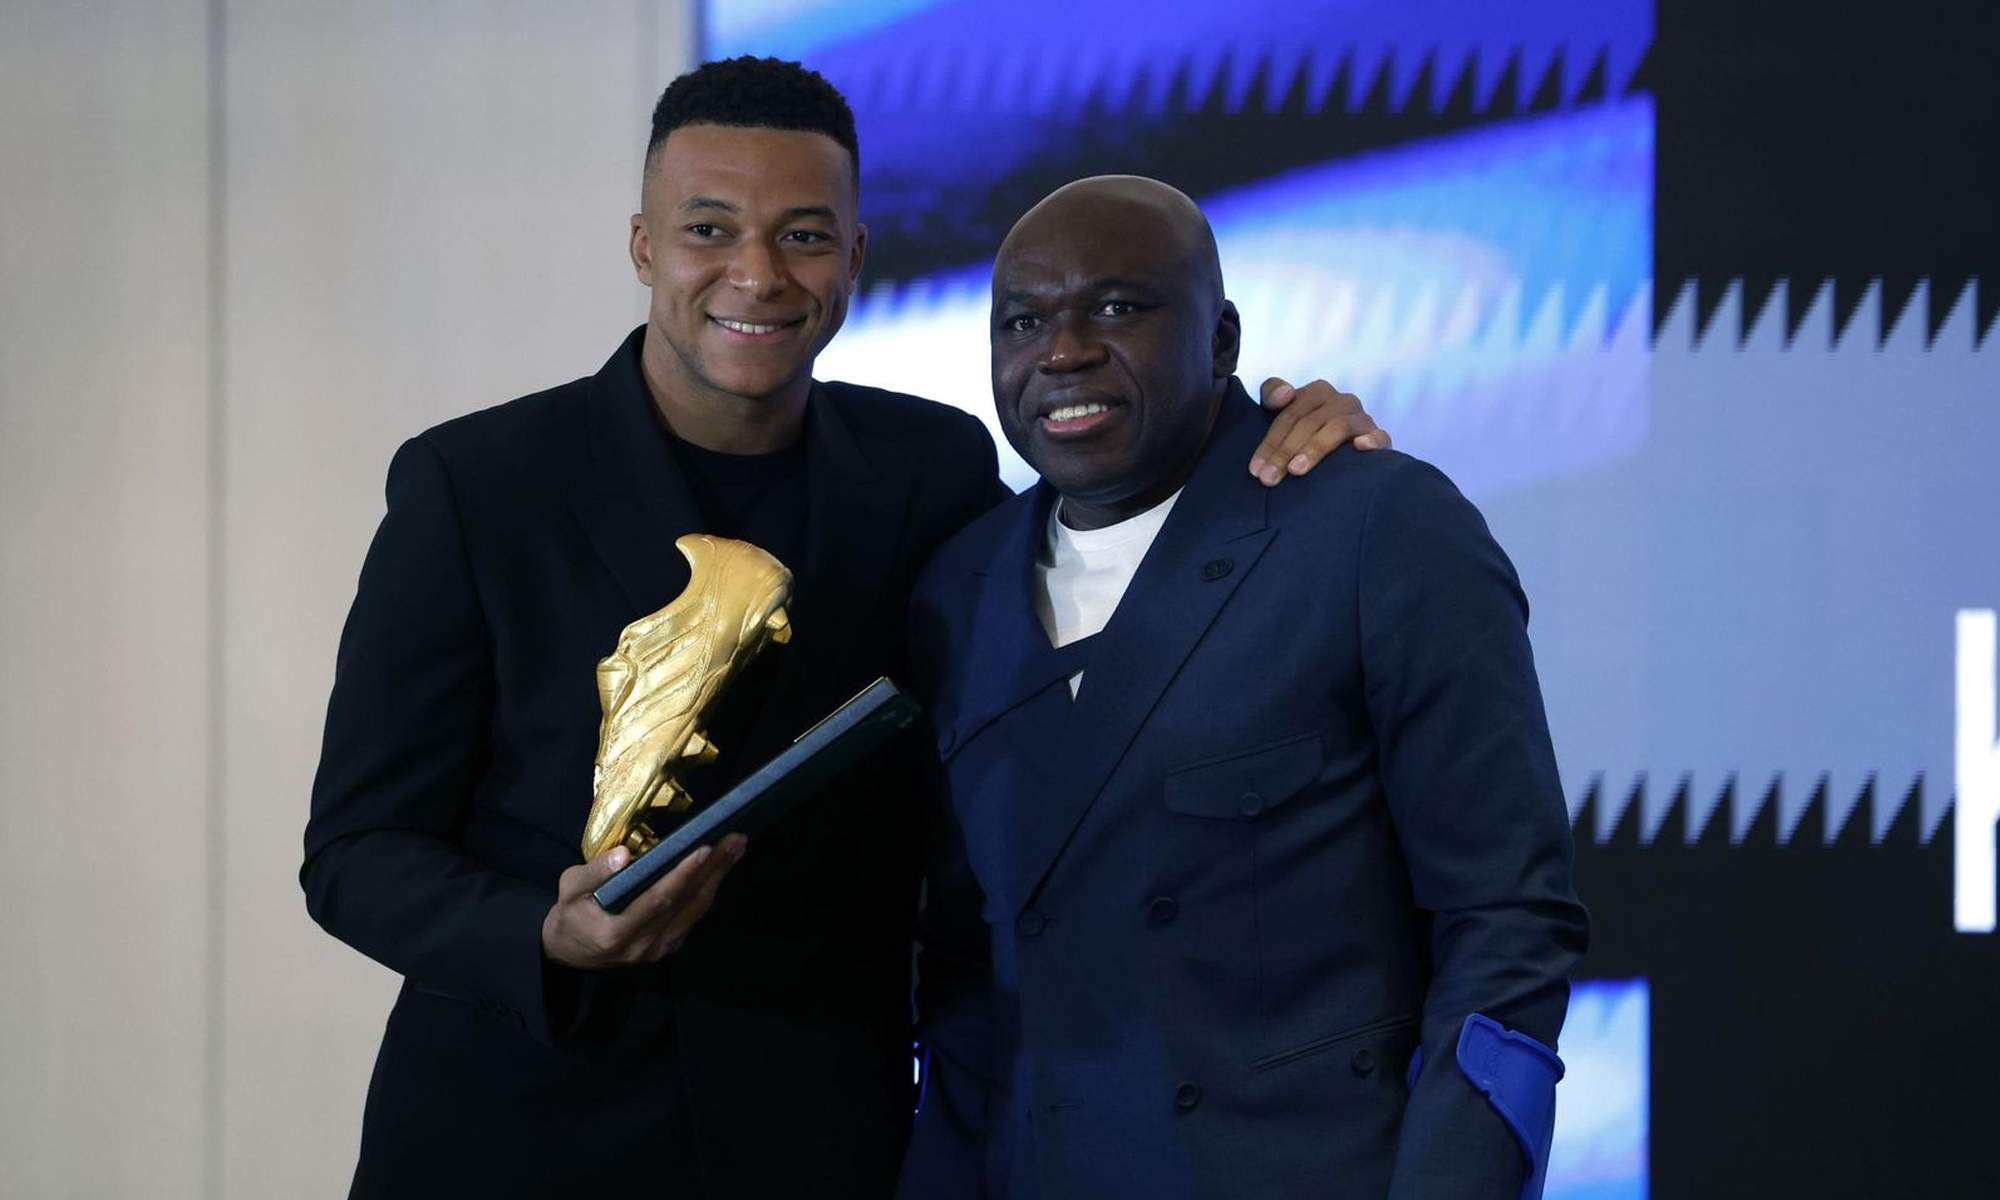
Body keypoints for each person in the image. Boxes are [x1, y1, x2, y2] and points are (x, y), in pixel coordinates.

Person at [302, 58, 1383, 1198]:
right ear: (642, 249)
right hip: (514, 1137)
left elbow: (1121, 532)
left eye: (804, 236)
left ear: (857, 257)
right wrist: (542, 934)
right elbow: (356, 855)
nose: (756, 275)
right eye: (708, 229)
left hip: (822, 1138)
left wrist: (1270, 433)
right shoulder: (474, 486)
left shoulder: (935, 468)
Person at [898, 176, 1588, 1200]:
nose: (1064, 351)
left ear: (1221, 341)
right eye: (1022, 321)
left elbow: (1506, 922)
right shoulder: (954, 588)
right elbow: (951, 975)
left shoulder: (1375, 529)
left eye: (1118, 307)